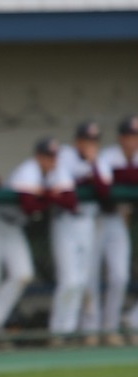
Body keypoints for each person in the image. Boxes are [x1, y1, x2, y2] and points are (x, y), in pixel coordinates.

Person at [0, 137, 76, 346]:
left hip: (14, 226)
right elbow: (29, 205)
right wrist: (52, 196)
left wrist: (47, 195)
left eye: (54, 157)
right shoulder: (28, 170)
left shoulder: (54, 172)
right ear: (38, 157)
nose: (51, 162)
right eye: (47, 157)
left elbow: (70, 201)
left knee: (22, 274)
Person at [56, 121, 113, 344]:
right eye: (86, 141)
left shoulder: (101, 160)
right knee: (69, 280)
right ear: (77, 142)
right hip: (65, 221)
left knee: (82, 280)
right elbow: (66, 191)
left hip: (88, 222)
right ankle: (58, 331)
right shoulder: (64, 155)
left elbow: (104, 191)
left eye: (94, 141)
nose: (90, 145)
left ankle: (69, 331)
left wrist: (94, 164)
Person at [87, 114, 138, 345]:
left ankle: (110, 327)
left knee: (119, 275)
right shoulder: (108, 155)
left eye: (136, 136)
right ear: (120, 138)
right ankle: (90, 329)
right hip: (96, 218)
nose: (133, 141)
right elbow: (104, 188)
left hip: (118, 217)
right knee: (92, 274)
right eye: (129, 136)